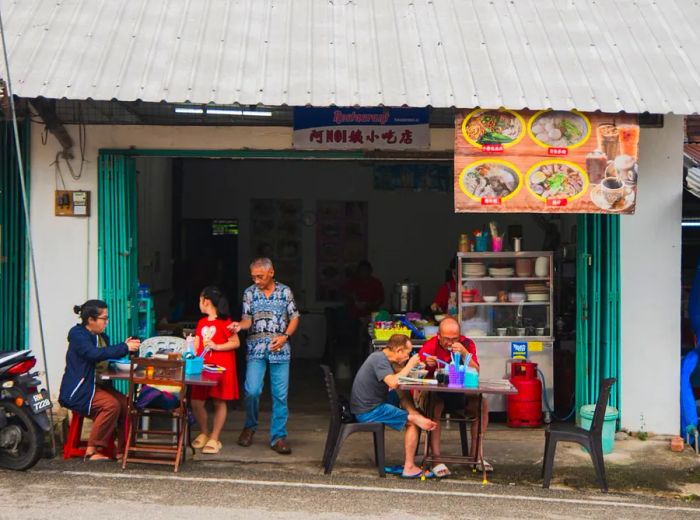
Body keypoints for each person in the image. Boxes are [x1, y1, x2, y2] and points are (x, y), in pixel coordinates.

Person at [228, 258, 300, 455]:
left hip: (280, 349)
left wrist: (285, 336)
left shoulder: (285, 292)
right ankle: (250, 426)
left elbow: (294, 317)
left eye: (260, 277)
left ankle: (278, 437)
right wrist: (238, 326)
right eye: (253, 277)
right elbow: (247, 319)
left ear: (271, 273)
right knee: (252, 390)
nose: (257, 281)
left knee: (280, 395)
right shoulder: (249, 293)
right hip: (255, 349)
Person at [58, 300, 140, 461]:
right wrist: (124, 347)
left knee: (125, 403)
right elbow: (93, 354)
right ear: (90, 320)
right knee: (110, 405)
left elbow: (104, 358)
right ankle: (92, 449)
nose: (106, 322)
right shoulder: (78, 334)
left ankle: (123, 449)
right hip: (79, 390)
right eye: (104, 318)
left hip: (97, 386)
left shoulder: (102, 337)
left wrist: (125, 351)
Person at [350, 334, 437, 478]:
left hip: (373, 406)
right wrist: (409, 365)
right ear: (398, 350)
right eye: (408, 353)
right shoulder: (378, 359)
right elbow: (393, 383)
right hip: (368, 411)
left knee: (404, 396)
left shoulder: (386, 361)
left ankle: (414, 415)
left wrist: (412, 411)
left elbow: (400, 390)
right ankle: (409, 467)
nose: (408, 357)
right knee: (413, 423)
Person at [417, 316, 491, 473]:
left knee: (481, 404)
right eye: (446, 339)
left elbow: (476, 371)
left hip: (460, 393)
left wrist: (464, 353)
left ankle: (476, 456)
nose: (450, 343)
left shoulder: (467, 344)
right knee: (435, 404)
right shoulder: (431, 345)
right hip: (435, 394)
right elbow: (415, 368)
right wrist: (425, 364)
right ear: (438, 336)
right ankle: (436, 459)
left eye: (454, 339)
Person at [190, 286, 240, 455]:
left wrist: (217, 346)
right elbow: (197, 345)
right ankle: (204, 432)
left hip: (221, 367)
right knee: (196, 401)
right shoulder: (201, 322)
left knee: (219, 401)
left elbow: (236, 342)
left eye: (199, 300)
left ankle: (214, 436)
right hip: (202, 366)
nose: (199, 304)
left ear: (207, 301)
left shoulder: (226, 322)